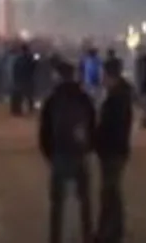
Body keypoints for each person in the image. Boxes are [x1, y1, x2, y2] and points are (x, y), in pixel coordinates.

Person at [39, 62, 98, 243]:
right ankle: (87, 234)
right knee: (84, 199)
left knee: (57, 202)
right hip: (79, 152)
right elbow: (93, 125)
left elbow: (45, 131)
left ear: (58, 76)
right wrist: (88, 147)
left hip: (59, 154)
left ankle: (55, 237)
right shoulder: (84, 98)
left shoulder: (52, 100)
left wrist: (49, 153)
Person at [95, 58, 133, 243]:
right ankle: (113, 231)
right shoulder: (121, 95)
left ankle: (109, 233)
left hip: (112, 151)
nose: (102, 79)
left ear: (111, 76)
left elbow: (111, 127)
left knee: (109, 193)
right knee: (112, 192)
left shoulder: (116, 99)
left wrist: (97, 140)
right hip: (117, 150)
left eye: (104, 75)